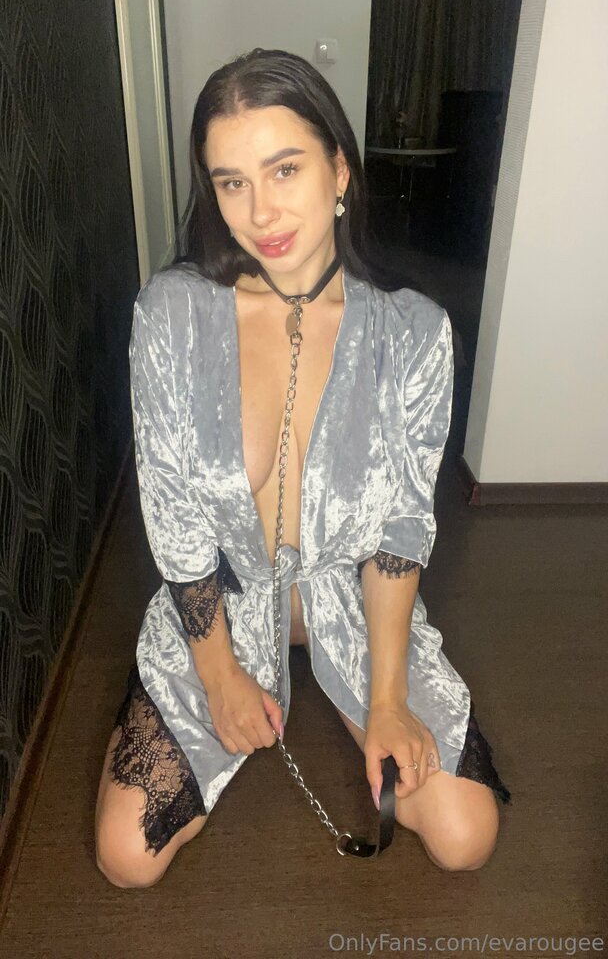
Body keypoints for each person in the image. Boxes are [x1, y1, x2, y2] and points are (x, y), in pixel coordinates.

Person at [95, 47, 511, 889]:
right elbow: (173, 518)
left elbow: (399, 530)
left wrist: (387, 700)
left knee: (465, 835)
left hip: (352, 606)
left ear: (339, 170)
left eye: (285, 168)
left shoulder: (412, 333)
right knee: (127, 859)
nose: (261, 211)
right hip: (218, 608)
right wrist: (219, 678)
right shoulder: (173, 315)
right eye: (232, 182)